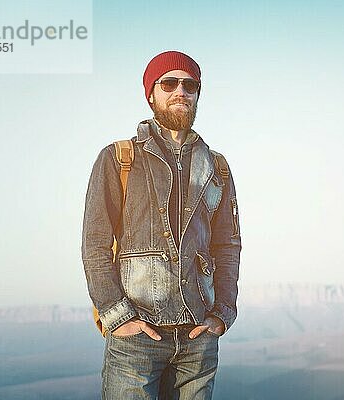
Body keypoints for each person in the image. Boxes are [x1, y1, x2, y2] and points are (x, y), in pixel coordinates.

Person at [81, 50, 242, 400]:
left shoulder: (218, 167)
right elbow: (94, 242)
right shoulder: (118, 158)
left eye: (190, 85)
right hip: (137, 336)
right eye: (169, 83)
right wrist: (116, 315)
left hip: (198, 338)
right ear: (150, 94)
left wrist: (222, 314)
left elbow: (227, 246)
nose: (180, 91)